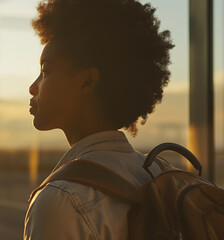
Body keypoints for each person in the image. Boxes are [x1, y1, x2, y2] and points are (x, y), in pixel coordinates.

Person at [24, 0, 174, 239]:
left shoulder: (61, 200)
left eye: (46, 71)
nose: (33, 87)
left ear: (88, 82)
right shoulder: (162, 175)